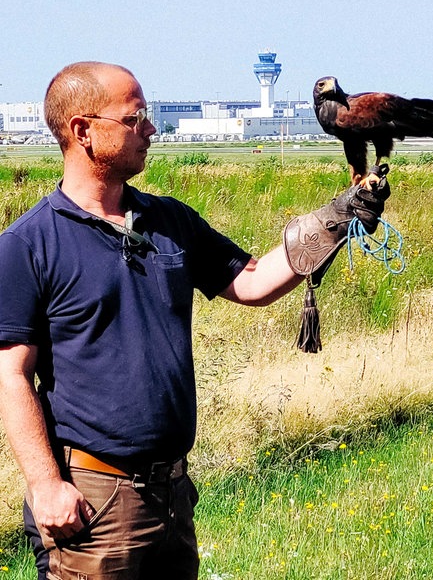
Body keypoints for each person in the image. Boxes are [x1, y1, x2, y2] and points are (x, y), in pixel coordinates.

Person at [0, 62, 390, 580]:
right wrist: (46, 485)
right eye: (135, 117)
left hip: (173, 495)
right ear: (83, 131)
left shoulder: (170, 220)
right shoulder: (29, 245)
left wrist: (338, 217)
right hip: (92, 502)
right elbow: (11, 375)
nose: (151, 129)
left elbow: (251, 283)